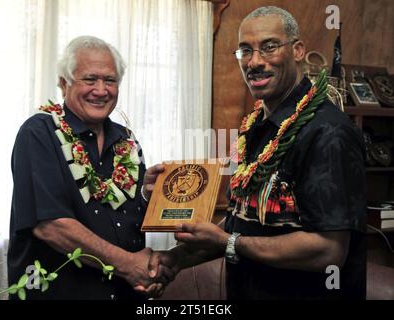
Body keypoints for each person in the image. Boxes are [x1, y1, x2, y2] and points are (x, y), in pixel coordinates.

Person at [148, 6, 367, 299]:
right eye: (245, 51)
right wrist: (177, 258)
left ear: (298, 50)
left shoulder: (327, 132)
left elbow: (327, 251)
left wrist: (228, 242)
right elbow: (245, 221)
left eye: (269, 47)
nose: (254, 62)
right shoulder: (255, 127)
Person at [7, 35, 172, 300]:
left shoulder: (127, 140)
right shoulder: (38, 133)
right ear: (64, 83)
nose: (100, 90)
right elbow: (51, 226)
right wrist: (130, 266)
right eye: (89, 79)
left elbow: (130, 225)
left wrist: (147, 197)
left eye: (110, 80)